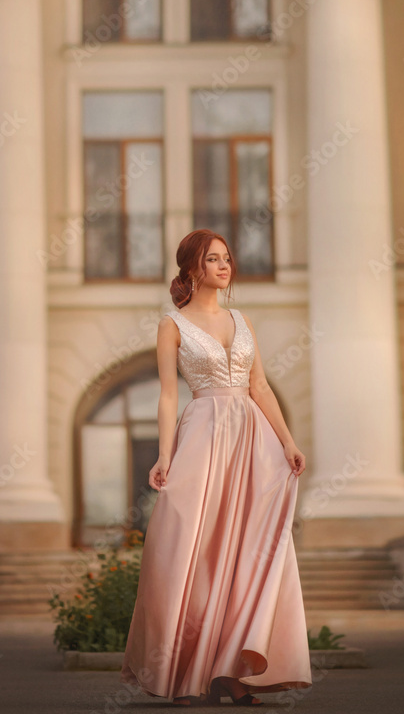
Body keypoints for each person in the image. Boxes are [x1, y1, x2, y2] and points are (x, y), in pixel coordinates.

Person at [120, 228, 312, 706]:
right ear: (192, 268)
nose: (225, 267)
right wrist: (165, 455)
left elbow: (261, 386)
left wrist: (287, 442)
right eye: (213, 259)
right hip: (204, 431)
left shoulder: (241, 319)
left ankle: (232, 673)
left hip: (252, 439)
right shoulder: (173, 324)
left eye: (227, 259)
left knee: (251, 548)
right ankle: (184, 673)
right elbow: (168, 395)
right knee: (192, 548)